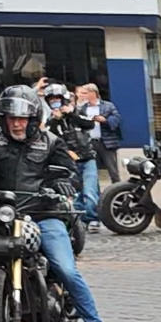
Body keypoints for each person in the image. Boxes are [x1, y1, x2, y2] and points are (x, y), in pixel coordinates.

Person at [0, 86, 113, 322]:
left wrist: (62, 183)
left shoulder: (51, 142)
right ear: (3, 119)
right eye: (12, 118)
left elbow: (69, 172)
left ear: (33, 119)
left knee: (66, 269)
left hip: (44, 213)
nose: (17, 124)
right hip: (4, 215)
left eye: (22, 119)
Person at [40, 83, 99, 227]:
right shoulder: (51, 120)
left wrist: (71, 114)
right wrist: (55, 120)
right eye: (52, 99)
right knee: (75, 193)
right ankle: (79, 221)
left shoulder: (77, 112)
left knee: (90, 191)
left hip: (87, 158)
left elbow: (90, 124)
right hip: (69, 162)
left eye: (57, 98)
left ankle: (92, 218)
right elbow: (50, 138)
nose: (55, 101)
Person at [75, 82, 121, 182]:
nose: (82, 95)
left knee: (112, 170)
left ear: (93, 93)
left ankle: (118, 188)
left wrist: (105, 120)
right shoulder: (82, 108)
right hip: (89, 143)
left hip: (105, 142)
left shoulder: (108, 105)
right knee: (92, 170)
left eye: (85, 93)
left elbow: (117, 119)